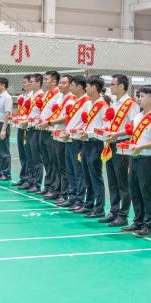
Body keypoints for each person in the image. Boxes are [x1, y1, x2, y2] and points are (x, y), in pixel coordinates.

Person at [121, 86, 151, 238]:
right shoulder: (138, 117)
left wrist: (141, 147)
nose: (139, 99)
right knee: (135, 191)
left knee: (147, 193)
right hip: (135, 158)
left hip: (148, 160)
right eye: (139, 96)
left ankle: (148, 225)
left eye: (142, 96)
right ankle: (138, 221)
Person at [101, 74, 137, 227]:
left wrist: (117, 134)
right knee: (112, 180)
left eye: (113, 84)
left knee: (122, 181)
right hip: (111, 144)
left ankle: (123, 214)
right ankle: (114, 211)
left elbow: (134, 126)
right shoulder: (114, 103)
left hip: (122, 144)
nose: (111, 87)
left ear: (122, 86)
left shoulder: (130, 104)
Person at [80, 77, 109, 219]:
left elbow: (106, 128)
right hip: (86, 142)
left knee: (95, 176)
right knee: (87, 175)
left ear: (94, 87)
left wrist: (90, 133)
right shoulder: (88, 104)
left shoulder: (103, 105)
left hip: (95, 143)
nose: (85, 88)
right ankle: (89, 204)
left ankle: (99, 208)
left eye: (87, 86)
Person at [59, 76, 89, 211]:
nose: (70, 87)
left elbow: (85, 124)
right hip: (70, 139)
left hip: (78, 141)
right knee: (70, 171)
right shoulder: (77, 101)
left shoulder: (87, 102)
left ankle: (79, 199)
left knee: (78, 172)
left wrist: (72, 132)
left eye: (72, 85)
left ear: (79, 87)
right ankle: (72, 197)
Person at [0, 77, 13, 180]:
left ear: (3, 85)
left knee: (4, 151)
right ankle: (0, 172)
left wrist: (4, 129)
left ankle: (6, 173)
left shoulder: (7, 97)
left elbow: (7, 113)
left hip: (2, 125)